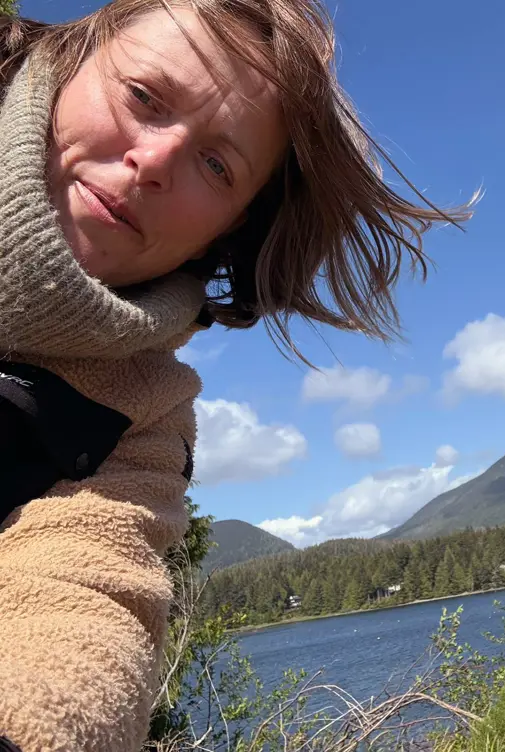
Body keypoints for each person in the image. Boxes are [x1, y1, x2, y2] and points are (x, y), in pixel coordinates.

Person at [0, 1, 474, 750]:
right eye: (144, 98)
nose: (153, 162)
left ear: (229, 228)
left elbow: (83, 605)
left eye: (216, 165)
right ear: (72, 58)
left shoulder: (139, 423)